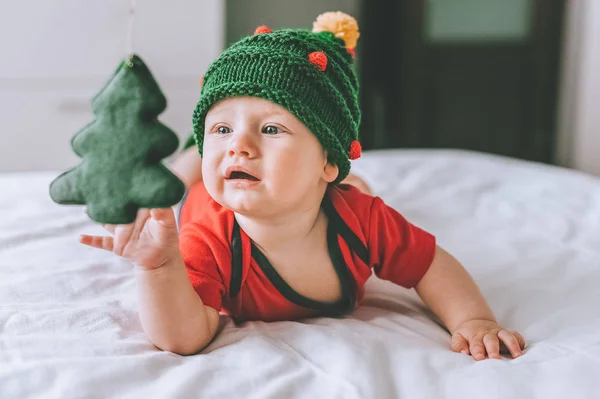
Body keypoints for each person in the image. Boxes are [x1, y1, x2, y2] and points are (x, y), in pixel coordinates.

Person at [80, 11, 525, 360]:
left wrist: (475, 319)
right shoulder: (210, 239)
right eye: (221, 128)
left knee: (362, 191)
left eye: (271, 130)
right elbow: (185, 336)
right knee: (187, 177)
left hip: (332, 188)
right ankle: (191, 157)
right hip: (205, 200)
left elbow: (430, 265)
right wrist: (158, 268)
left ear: (329, 161)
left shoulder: (363, 221)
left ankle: (316, 167)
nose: (240, 146)